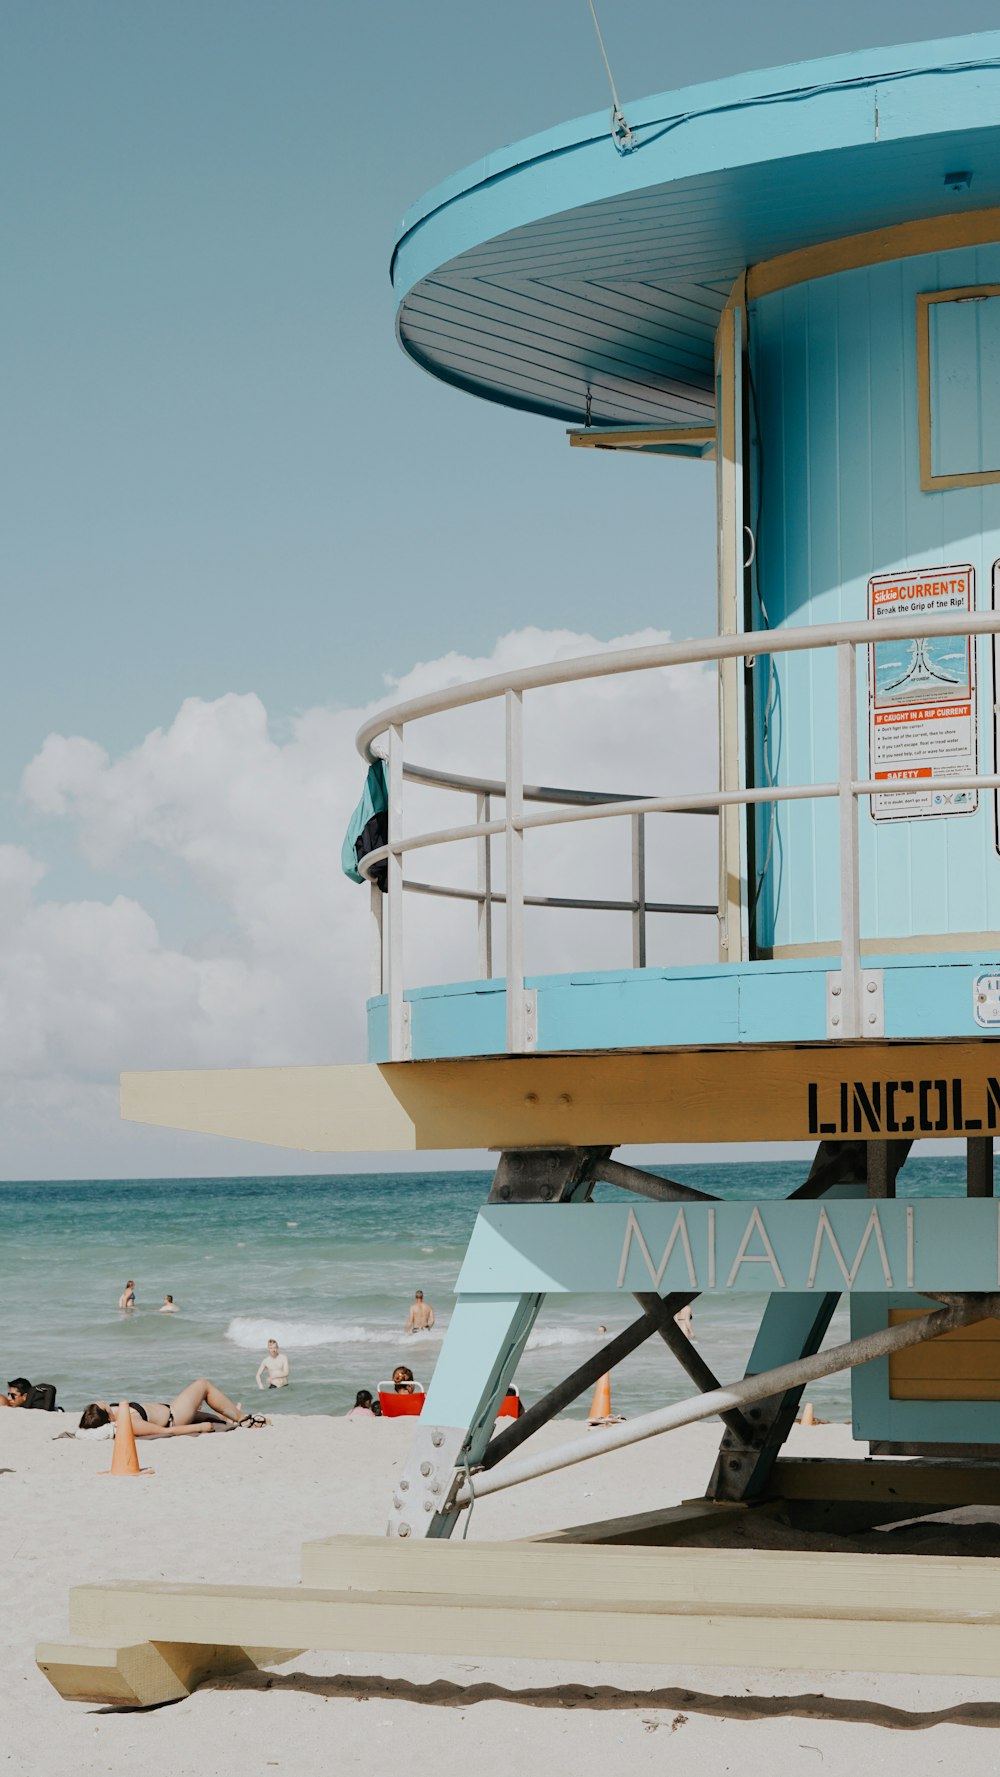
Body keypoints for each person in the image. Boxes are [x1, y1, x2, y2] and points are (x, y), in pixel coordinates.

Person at [78, 1378, 266, 1438]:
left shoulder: (114, 1410)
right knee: (203, 1385)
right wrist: (197, 1428)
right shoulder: (129, 1423)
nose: (100, 1401)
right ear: (106, 1416)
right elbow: (163, 1431)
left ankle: (235, 1417)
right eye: (99, 1405)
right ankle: (243, 1418)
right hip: (175, 1417)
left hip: (171, 1408)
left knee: (220, 1417)